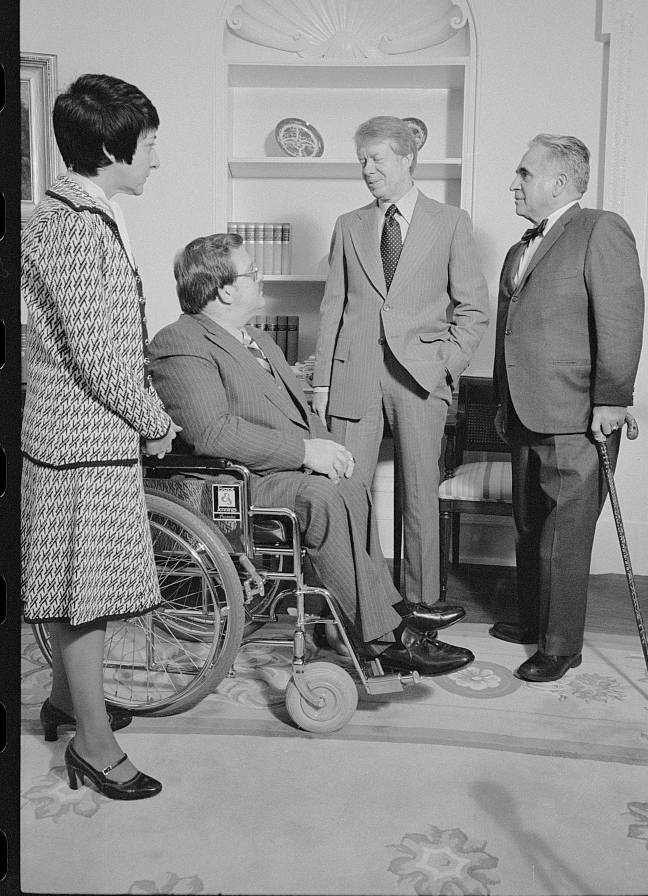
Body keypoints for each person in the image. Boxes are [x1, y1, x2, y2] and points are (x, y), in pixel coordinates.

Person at [148, 233, 476, 677]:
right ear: (225, 289)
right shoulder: (180, 341)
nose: (259, 278)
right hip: (232, 482)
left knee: (349, 484)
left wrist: (329, 449)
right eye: (251, 273)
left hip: (272, 470)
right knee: (320, 498)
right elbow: (212, 432)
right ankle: (383, 640)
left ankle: (390, 611)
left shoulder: (258, 341)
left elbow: (300, 412)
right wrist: (306, 453)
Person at [21, 74, 180, 799]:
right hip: (84, 442)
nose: (156, 159)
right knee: (87, 597)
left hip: (68, 436)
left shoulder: (65, 213)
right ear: (113, 148)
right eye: (148, 145)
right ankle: (92, 743)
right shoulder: (78, 229)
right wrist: (156, 421)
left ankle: (63, 701)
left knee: (74, 586)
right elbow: (99, 356)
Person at [312, 116, 489, 614]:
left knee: (420, 497)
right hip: (354, 376)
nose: (367, 170)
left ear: (409, 159)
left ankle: (422, 601)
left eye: (378, 160)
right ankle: (355, 600)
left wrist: (445, 367)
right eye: (361, 161)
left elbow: (473, 308)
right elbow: (333, 308)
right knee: (347, 495)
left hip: (421, 380)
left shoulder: (451, 222)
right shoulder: (348, 225)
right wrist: (322, 385)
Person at [492, 134, 644, 682]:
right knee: (530, 524)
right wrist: (501, 402)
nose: (514, 182)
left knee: (566, 534)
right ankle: (533, 622)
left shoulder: (601, 229)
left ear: (558, 183)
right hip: (524, 410)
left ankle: (560, 646)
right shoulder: (518, 249)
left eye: (524, 173)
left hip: (579, 414)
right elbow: (510, 334)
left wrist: (611, 399)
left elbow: (621, 320)